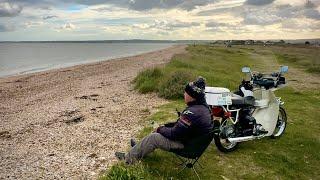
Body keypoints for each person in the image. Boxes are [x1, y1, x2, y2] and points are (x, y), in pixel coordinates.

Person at [115, 77, 213, 164]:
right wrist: (165, 126)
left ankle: (128, 159)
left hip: (186, 146)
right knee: (161, 128)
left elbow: (174, 134)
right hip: (191, 141)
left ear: (192, 96)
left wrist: (160, 129)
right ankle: (139, 148)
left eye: (185, 92)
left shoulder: (192, 113)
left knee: (154, 137)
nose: (184, 94)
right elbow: (181, 127)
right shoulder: (202, 108)